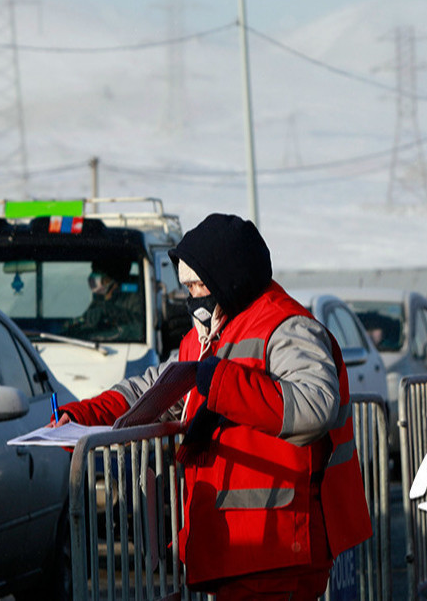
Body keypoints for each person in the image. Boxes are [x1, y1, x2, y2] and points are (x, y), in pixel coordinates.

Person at [54, 213, 372, 599]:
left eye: (200, 284)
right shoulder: (206, 336)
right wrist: (83, 416)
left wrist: (220, 381)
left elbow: (313, 406)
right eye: (186, 287)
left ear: (229, 276)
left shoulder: (288, 326)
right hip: (236, 547)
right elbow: (152, 388)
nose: (193, 297)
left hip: (279, 546)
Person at [60, 258, 143, 340]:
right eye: (93, 271)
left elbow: (141, 324)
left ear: (111, 278)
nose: (93, 276)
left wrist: (109, 311)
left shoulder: (136, 296)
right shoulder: (99, 299)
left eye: (98, 273)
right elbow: (89, 322)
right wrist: (74, 325)